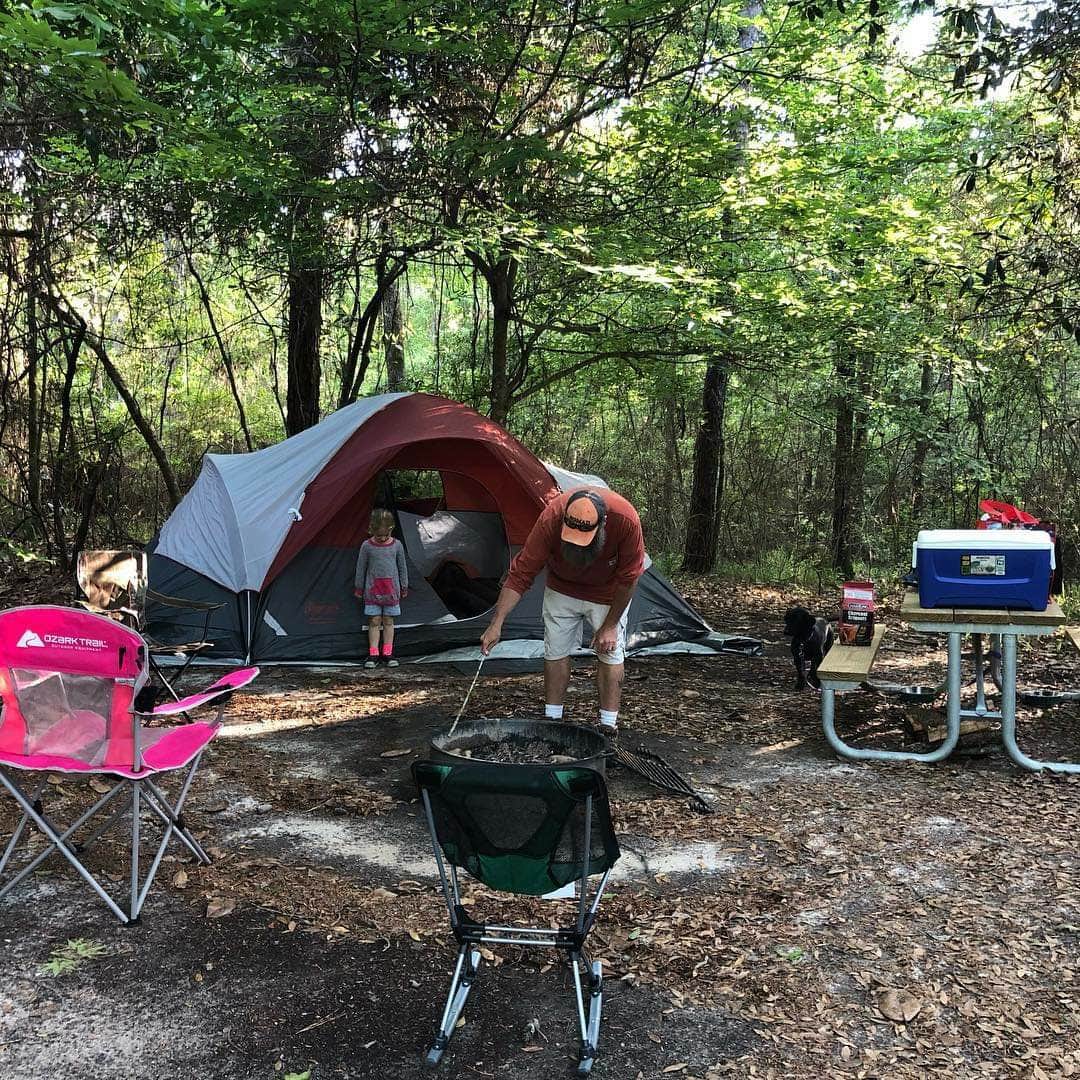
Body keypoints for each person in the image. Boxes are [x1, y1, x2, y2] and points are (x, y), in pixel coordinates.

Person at [480, 486, 645, 734]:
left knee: (610, 651)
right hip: (561, 587)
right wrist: (496, 623)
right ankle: (552, 719)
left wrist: (610, 626)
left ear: (603, 524)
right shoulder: (551, 518)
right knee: (555, 649)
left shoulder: (625, 519)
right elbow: (521, 574)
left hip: (608, 592)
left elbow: (629, 578)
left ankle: (608, 726)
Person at [355, 508, 408, 668]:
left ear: (391, 529)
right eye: (379, 535)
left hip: (391, 593)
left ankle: (388, 652)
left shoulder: (397, 545)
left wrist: (404, 586)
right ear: (371, 529)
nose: (383, 538)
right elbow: (361, 568)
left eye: (386, 535)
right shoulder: (367, 546)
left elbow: (402, 567)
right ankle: (373, 654)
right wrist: (359, 588)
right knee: (374, 620)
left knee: (388, 621)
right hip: (372, 592)